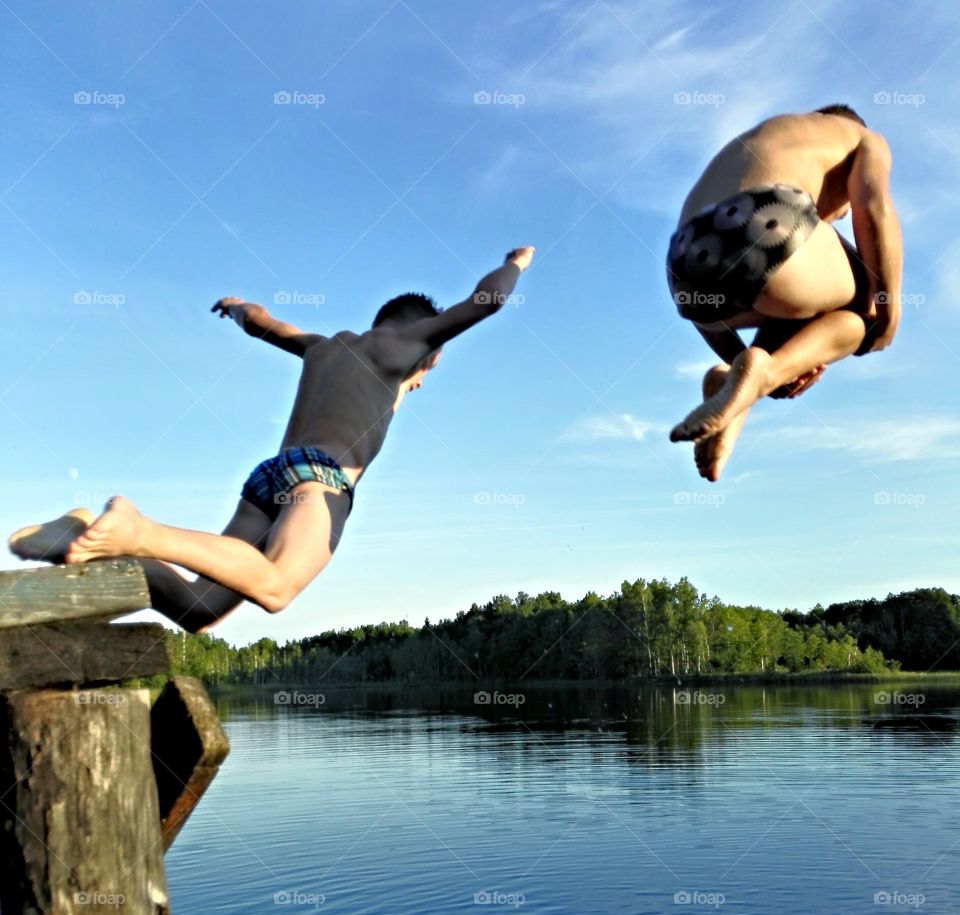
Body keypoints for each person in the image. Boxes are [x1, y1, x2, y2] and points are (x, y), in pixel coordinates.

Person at [9, 247, 535, 631]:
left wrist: (240, 308)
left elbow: (263, 324)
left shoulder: (325, 346)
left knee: (199, 610)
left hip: (271, 477)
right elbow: (487, 300)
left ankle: (80, 536)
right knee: (277, 586)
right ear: (431, 347)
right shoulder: (407, 344)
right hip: (319, 479)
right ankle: (138, 531)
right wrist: (516, 263)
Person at [666, 105, 902, 481]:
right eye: (836, 211)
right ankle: (764, 370)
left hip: (684, 268)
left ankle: (736, 386)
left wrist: (756, 368)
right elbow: (872, 206)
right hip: (763, 221)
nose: (835, 216)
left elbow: (706, 316)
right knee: (866, 304)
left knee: (780, 335)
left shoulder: (772, 136)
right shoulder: (862, 137)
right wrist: (887, 312)